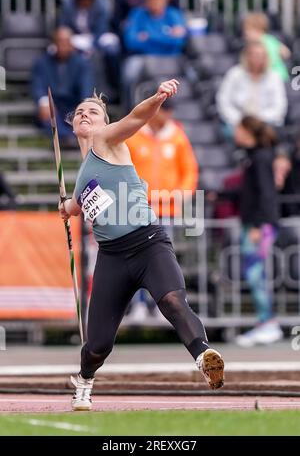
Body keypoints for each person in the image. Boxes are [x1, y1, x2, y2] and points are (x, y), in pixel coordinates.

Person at [58, 79, 225, 411]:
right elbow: (77, 204)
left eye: (93, 110)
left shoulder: (107, 140)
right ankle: (85, 380)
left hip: (148, 243)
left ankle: (204, 355)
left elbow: (136, 117)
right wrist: (66, 207)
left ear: (105, 122)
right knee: (98, 345)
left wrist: (158, 98)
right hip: (113, 258)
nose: (85, 114)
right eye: (79, 112)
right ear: (72, 124)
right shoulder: (82, 174)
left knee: (173, 300)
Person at [126, 96, 198, 320]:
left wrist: (180, 195)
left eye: (168, 110)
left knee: (162, 261)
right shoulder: (135, 135)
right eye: (162, 110)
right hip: (138, 207)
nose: (166, 115)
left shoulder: (176, 137)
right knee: (137, 258)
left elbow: (189, 170)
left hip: (167, 210)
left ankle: (160, 305)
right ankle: (138, 304)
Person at [234, 116, 283, 347]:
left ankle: (268, 323)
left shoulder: (261, 157)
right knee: (255, 273)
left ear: (247, 131)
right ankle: (265, 321)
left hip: (260, 225)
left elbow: (266, 194)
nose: (235, 133)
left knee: (256, 274)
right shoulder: (252, 157)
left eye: (238, 129)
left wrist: (257, 225)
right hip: (255, 222)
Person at [122, 0, 187, 111]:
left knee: (190, 71)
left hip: (171, 58)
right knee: (130, 70)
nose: (155, 1)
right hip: (144, 57)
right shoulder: (137, 14)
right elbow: (130, 42)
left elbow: (179, 41)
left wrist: (148, 36)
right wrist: (166, 36)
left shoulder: (173, 14)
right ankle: (129, 111)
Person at [31, 26, 94, 148]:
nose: (63, 45)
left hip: (74, 105)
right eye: (60, 41)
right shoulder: (42, 63)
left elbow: (86, 89)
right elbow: (38, 85)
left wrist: (82, 107)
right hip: (53, 104)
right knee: (46, 110)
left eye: (66, 41)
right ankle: (67, 138)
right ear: (54, 43)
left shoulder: (82, 63)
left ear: (71, 43)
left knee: (87, 111)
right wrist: (44, 102)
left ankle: (68, 139)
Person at [58, 0, 120, 100]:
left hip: (98, 36)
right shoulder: (68, 4)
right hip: (77, 37)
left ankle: (114, 85)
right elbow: (64, 26)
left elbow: (101, 29)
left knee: (111, 49)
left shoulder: (102, 4)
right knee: (58, 48)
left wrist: (91, 48)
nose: (84, 1)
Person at [216, 41, 287, 134]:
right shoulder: (234, 74)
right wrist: (240, 120)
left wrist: (259, 121)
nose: (258, 58)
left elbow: (279, 106)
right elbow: (223, 101)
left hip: (266, 123)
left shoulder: (274, 77)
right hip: (238, 123)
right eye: (255, 55)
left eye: (261, 55)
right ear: (247, 56)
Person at [242, 12, 291, 82]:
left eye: (248, 29)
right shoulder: (270, 39)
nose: (245, 33)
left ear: (258, 29)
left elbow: (272, 61)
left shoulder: (266, 42)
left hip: (278, 79)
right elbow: (286, 52)